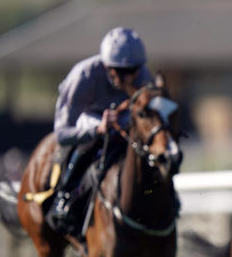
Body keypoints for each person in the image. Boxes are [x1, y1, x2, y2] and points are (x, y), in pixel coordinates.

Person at [46, 27, 153, 236]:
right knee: (95, 135)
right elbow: (61, 133)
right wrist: (98, 129)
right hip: (90, 119)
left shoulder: (143, 77)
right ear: (107, 67)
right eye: (123, 73)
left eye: (134, 71)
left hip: (124, 120)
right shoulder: (83, 76)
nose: (130, 78)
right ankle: (65, 198)